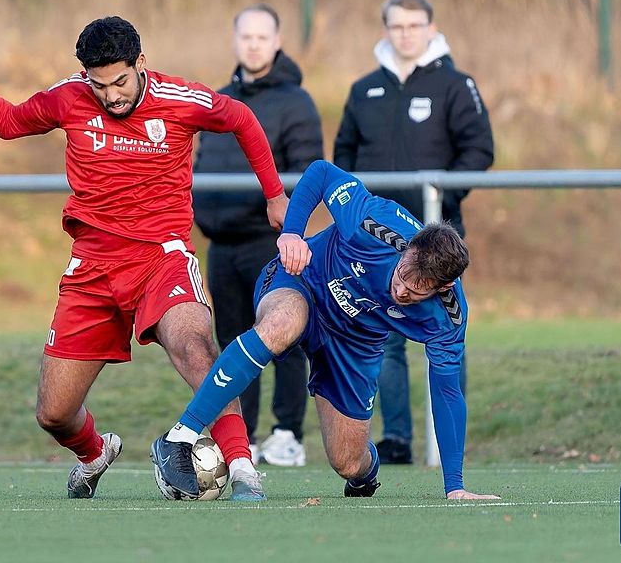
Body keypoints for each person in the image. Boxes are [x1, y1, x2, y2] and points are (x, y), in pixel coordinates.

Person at [0, 16, 287, 500]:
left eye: (119, 81)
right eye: (99, 85)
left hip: (161, 257)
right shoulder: (69, 96)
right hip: (93, 267)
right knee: (53, 412)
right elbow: (10, 122)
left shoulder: (179, 100)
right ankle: (94, 452)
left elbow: (242, 120)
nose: (111, 95)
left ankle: (244, 468)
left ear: (141, 63)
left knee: (195, 346)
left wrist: (274, 195)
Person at [152, 160, 499, 500]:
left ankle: (366, 474)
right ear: (410, 247)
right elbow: (321, 172)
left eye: (419, 287)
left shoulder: (448, 318)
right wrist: (292, 234)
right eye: (405, 271)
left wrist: (455, 486)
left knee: (349, 462)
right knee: (280, 324)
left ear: (444, 286)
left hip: (355, 342)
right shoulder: (371, 221)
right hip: (305, 280)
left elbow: (448, 393)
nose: (403, 288)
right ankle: (181, 435)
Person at [333, 0, 494, 465]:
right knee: (385, 338)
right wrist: (357, 209)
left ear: (430, 27)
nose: (405, 34)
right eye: (397, 26)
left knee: (445, 335)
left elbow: (479, 151)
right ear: (386, 29)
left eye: (414, 25)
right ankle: (397, 438)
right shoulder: (364, 89)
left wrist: (442, 203)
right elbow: (343, 153)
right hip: (378, 247)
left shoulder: (455, 85)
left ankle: (450, 449)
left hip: (436, 241)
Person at [193, 4, 322, 466]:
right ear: (234, 40)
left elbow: (307, 175)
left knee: (282, 335)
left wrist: (290, 226)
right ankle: (240, 436)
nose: (252, 44)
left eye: (261, 37)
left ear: (277, 41)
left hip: (269, 242)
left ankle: (287, 433)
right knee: (230, 340)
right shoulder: (219, 98)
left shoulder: (296, 102)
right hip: (221, 245)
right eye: (245, 36)